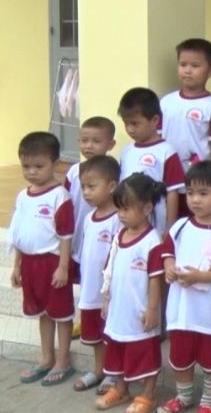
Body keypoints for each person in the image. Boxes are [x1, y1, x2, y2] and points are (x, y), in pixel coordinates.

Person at [158, 162, 211, 413]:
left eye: (203, 193)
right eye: (191, 193)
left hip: (208, 308)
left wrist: (199, 277)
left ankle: (208, 401)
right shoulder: (179, 226)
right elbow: (167, 254)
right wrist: (170, 267)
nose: (195, 199)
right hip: (181, 308)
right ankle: (184, 397)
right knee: (181, 355)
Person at [7, 132, 77, 387]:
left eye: (39, 166)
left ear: (55, 163)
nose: (32, 172)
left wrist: (63, 267)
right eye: (26, 166)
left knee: (61, 313)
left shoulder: (60, 196)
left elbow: (66, 235)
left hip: (53, 263)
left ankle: (63, 360)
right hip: (29, 263)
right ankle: (46, 357)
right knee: (42, 313)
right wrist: (17, 265)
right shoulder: (23, 196)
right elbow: (19, 233)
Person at [95, 174, 166, 413]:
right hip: (118, 308)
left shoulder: (153, 241)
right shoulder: (119, 236)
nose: (121, 214)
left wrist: (152, 309)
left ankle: (147, 395)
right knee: (118, 348)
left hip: (140, 310)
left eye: (126, 209)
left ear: (147, 208)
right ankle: (121, 389)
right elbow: (110, 270)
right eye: (119, 209)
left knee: (145, 352)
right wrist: (106, 299)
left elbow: (155, 279)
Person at [72, 155, 122, 395]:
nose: (86, 192)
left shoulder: (118, 219)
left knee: (109, 333)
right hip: (89, 289)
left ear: (111, 186)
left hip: (108, 292)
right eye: (83, 187)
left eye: (92, 186)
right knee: (94, 335)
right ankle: (99, 369)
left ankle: (114, 373)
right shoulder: (88, 218)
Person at [117, 87, 185, 232]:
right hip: (128, 227)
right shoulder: (126, 151)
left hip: (155, 227)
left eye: (135, 123)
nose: (130, 129)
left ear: (154, 120)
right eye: (126, 123)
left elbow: (172, 193)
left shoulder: (167, 152)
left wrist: (169, 227)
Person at [64, 117, 116, 277]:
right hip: (76, 234)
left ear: (110, 144)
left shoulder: (113, 173)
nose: (89, 146)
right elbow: (65, 201)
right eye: (84, 140)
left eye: (96, 141)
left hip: (101, 239)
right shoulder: (73, 171)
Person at [160, 38, 211, 170]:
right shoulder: (165, 102)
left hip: (199, 175)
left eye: (195, 66)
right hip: (166, 173)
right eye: (183, 65)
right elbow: (157, 136)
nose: (187, 71)